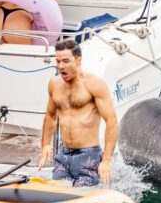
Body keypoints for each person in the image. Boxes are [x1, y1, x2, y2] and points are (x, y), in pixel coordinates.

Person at [39, 39, 118, 186]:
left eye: (66, 61)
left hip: (87, 155)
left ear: (78, 60)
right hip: (63, 155)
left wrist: (106, 160)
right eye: (58, 61)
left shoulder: (94, 84)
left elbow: (111, 122)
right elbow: (50, 116)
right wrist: (45, 145)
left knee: (81, 198)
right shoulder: (54, 84)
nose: (60, 66)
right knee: (57, 198)